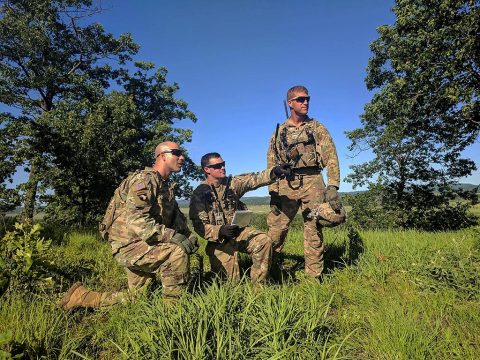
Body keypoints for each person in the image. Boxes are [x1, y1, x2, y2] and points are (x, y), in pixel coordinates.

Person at [60, 141, 199, 309]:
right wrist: (172, 236)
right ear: (162, 156)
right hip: (130, 246)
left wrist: (189, 236)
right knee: (176, 252)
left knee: (138, 299)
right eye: (176, 153)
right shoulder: (144, 180)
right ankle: (174, 313)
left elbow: (176, 219)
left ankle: (83, 297)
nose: (182, 157)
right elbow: (137, 220)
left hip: (145, 243)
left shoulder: (165, 186)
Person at [267, 85, 341, 280]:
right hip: (286, 183)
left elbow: (331, 156)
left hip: (314, 182)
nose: (305, 102)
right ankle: (270, 270)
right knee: (276, 228)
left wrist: (333, 185)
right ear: (290, 103)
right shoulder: (279, 132)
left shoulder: (317, 127)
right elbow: (272, 163)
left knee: (313, 226)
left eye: (307, 99)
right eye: (300, 99)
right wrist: (273, 192)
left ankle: (313, 277)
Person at [189, 152, 291, 283]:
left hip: (239, 233)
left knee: (264, 241)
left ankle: (259, 286)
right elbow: (199, 226)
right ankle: (208, 278)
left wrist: (275, 172)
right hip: (219, 240)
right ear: (207, 169)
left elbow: (254, 179)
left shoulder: (233, 184)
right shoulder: (199, 194)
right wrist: (219, 231)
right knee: (230, 283)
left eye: (223, 164)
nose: (222, 168)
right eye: (218, 165)